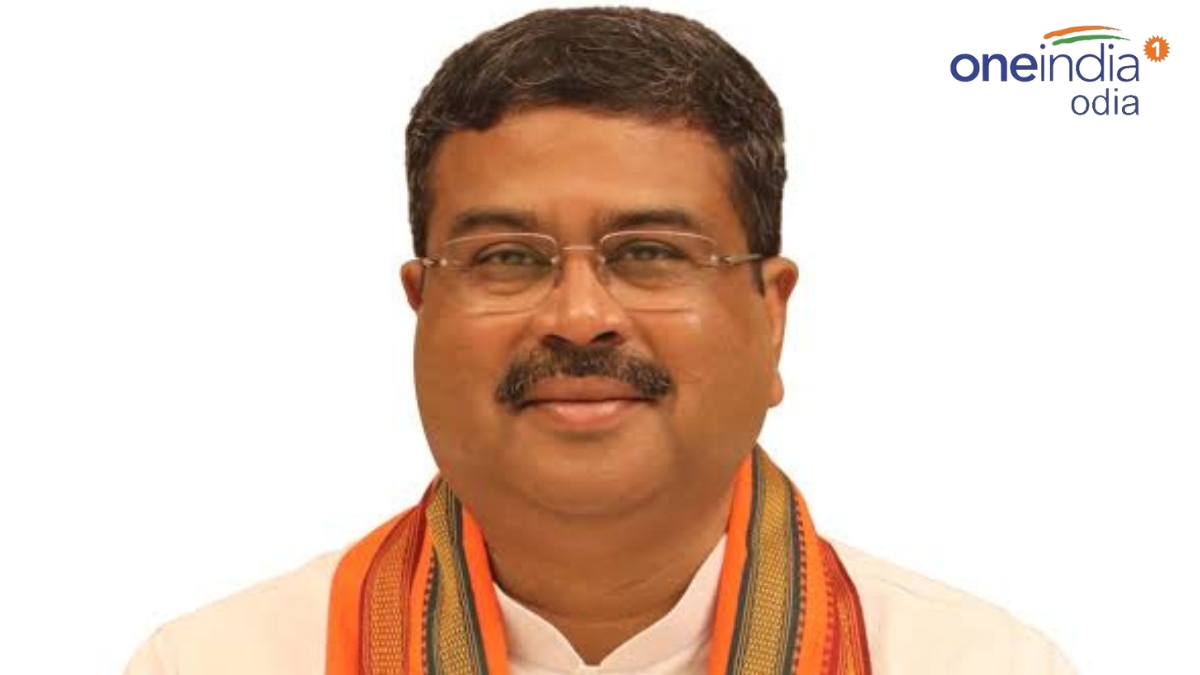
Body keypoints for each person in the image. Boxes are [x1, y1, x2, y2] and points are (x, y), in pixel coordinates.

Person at [123, 7, 1075, 675]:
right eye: (506, 257)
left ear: (771, 313)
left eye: (649, 252)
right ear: (422, 306)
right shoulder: (218, 661)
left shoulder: (976, 662)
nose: (579, 317)